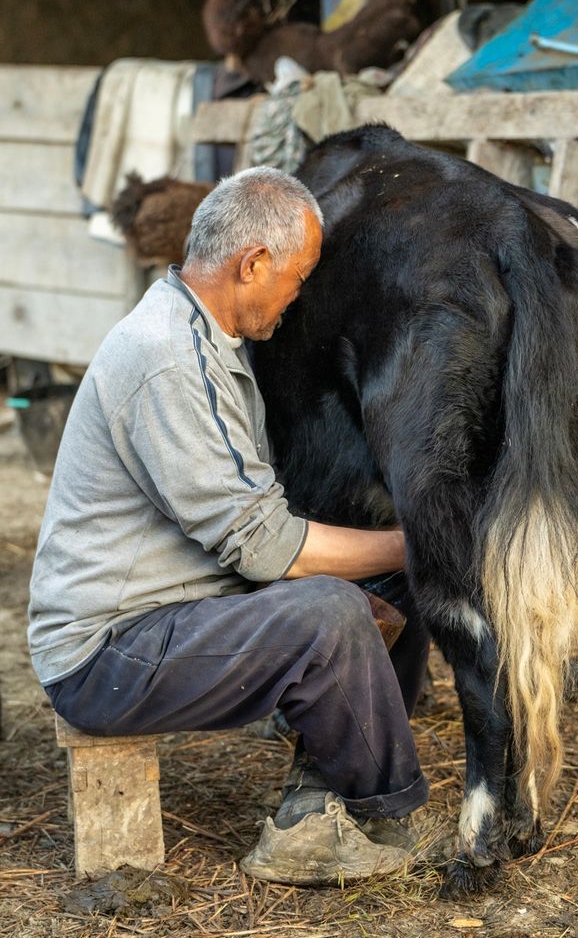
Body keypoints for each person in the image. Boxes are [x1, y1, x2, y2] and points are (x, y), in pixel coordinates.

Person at [28, 167, 429, 885]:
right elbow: (263, 544)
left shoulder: (202, 336)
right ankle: (372, 813)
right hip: (104, 656)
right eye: (298, 277)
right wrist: (418, 541)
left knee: (383, 581)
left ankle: (315, 806)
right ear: (253, 265)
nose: (298, 294)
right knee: (334, 610)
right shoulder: (167, 358)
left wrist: (400, 557)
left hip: (166, 614)